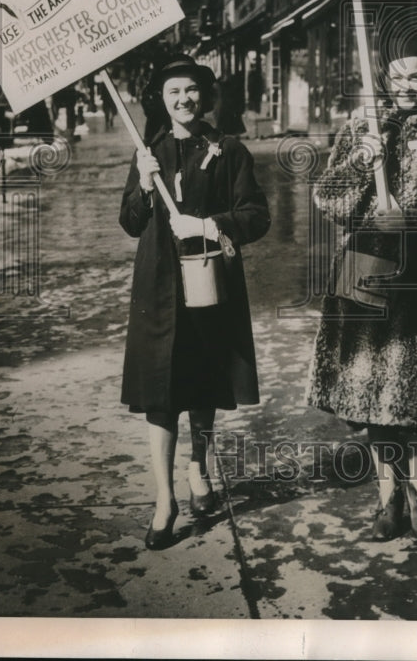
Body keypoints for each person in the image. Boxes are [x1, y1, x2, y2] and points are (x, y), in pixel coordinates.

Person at [306, 35, 417, 541]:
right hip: (364, 268)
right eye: (397, 76)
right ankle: (387, 500)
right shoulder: (362, 125)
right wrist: (362, 160)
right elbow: (328, 202)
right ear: (383, 78)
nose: (406, 85)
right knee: (371, 391)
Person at [119, 56, 270, 551]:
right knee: (160, 395)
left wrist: (207, 225)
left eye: (191, 90)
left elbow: (256, 216)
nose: (183, 99)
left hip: (209, 282)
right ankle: (165, 501)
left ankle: (198, 468)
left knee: (203, 382)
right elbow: (130, 222)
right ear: (160, 102)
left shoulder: (227, 151)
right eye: (172, 92)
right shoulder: (149, 151)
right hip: (158, 286)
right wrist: (144, 185)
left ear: (204, 96)